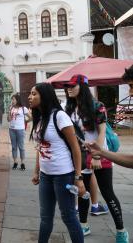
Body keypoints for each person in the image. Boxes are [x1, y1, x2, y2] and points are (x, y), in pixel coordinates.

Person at [64, 74, 129, 242]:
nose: (69, 89)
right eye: (68, 86)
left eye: (72, 86)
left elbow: (100, 134)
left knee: (107, 193)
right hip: (81, 156)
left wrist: (97, 156)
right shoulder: (70, 108)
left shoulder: (97, 106)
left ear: (83, 87)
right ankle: (84, 225)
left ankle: (121, 230)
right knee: (82, 192)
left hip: (101, 155)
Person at [29, 83, 85, 243]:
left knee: (69, 217)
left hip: (64, 176)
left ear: (44, 96)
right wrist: (36, 171)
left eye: (34, 94)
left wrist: (78, 178)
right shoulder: (40, 119)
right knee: (45, 217)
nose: (29, 97)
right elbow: (40, 148)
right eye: (30, 94)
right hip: (46, 176)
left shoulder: (59, 116)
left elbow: (75, 149)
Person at [86, 65, 133, 169]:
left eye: (132, 86)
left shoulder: (98, 106)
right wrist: (101, 152)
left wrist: (100, 154)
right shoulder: (69, 108)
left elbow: (102, 131)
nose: (130, 93)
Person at [7, 93, 31, 170]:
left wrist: (26, 121)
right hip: (12, 129)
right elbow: (8, 120)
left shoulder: (23, 108)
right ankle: (15, 162)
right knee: (14, 147)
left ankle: (22, 163)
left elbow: (31, 117)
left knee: (21, 147)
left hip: (20, 129)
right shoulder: (11, 108)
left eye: (13, 99)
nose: (12, 101)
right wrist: (9, 112)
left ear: (17, 100)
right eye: (12, 100)